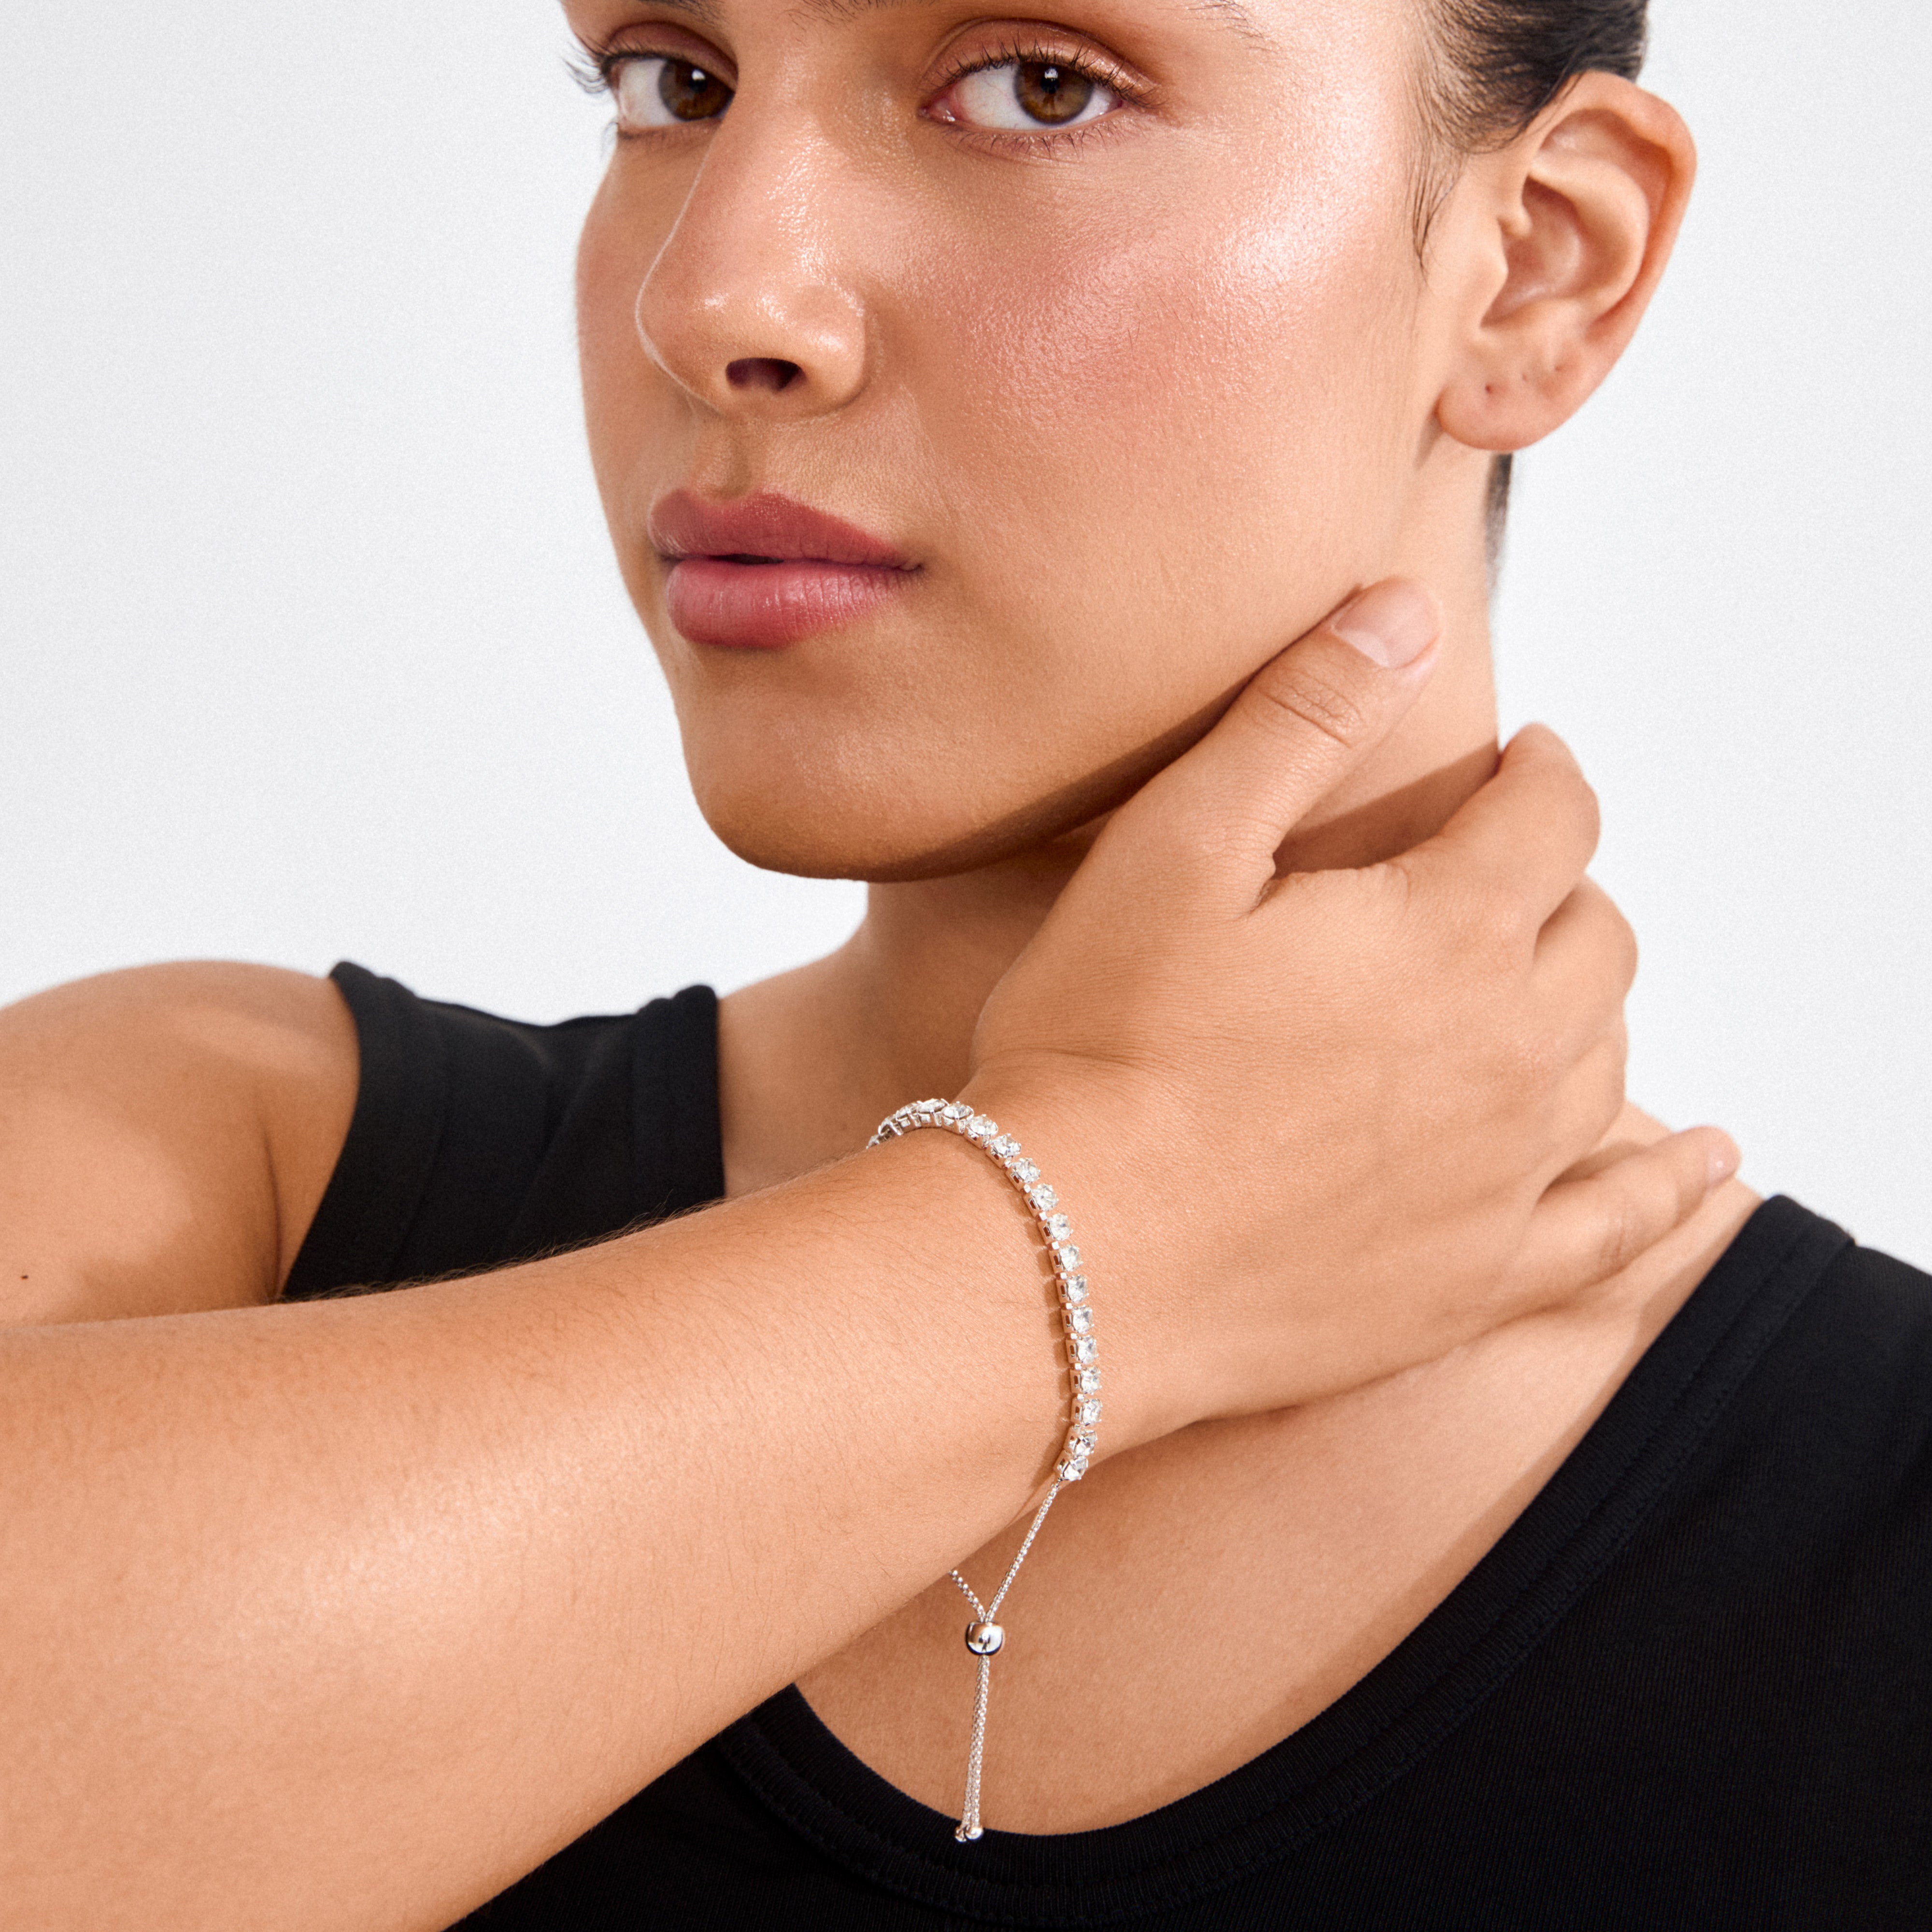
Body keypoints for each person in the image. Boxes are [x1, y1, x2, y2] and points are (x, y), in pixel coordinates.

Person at [0, 3, 1923, 1931]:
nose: (714, 297)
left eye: (1037, 85)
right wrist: (1104, 1228)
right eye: (675, 82)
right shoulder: (205, 1176)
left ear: (1536, 268)